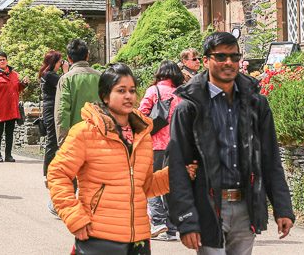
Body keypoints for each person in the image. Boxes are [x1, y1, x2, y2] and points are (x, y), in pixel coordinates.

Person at [48, 63, 197, 255]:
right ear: (105, 96)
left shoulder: (142, 134)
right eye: (121, 90)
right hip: (98, 237)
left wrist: (178, 173)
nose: (129, 96)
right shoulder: (85, 132)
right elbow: (57, 174)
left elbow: (146, 186)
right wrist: (73, 216)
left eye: (132, 90)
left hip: (138, 240)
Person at [168, 31, 295, 254]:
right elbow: (177, 167)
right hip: (209, 205)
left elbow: (270, 158)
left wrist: (282, 207)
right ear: (206, 61)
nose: (229, 63)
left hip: (247, 205)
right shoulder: (189, 108)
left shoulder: (256, 105)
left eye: (234, 57)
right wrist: (186, 220)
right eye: (221, 57)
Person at [138, 61, 184, 242]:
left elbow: (141, 115)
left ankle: (158, 222)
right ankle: (172, 228)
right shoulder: (182, 93)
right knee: (169, 185)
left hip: (155, 145)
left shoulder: (153, 91)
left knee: (151, 183)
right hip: (177, 146)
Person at [54, 38, 101, 144]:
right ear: (87, 56)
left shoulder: (66, 79)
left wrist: (62, 141)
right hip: (99, 136)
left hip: (75, 138)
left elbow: (62, 112)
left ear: (69, 59)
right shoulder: (100, 77)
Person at [0, 51, 26, 162]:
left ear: (7, 60)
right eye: (0, 60)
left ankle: (8, 155)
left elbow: (16, 88)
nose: (2, 61)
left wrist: (24, 84)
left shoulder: (14, 74)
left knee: (10, 132)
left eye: (4, 59)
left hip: (11, 107)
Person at [38, 49, 64, 176]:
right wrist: (66, 71)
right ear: (54, 62)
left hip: (48, 108)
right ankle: (48, 171)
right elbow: (65, 85)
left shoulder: (45, 73)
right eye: (60, 61)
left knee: (52, 140)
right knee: (53, 140)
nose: (61, 64)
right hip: (52, 108)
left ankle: (49, 170)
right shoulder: (50, 75)